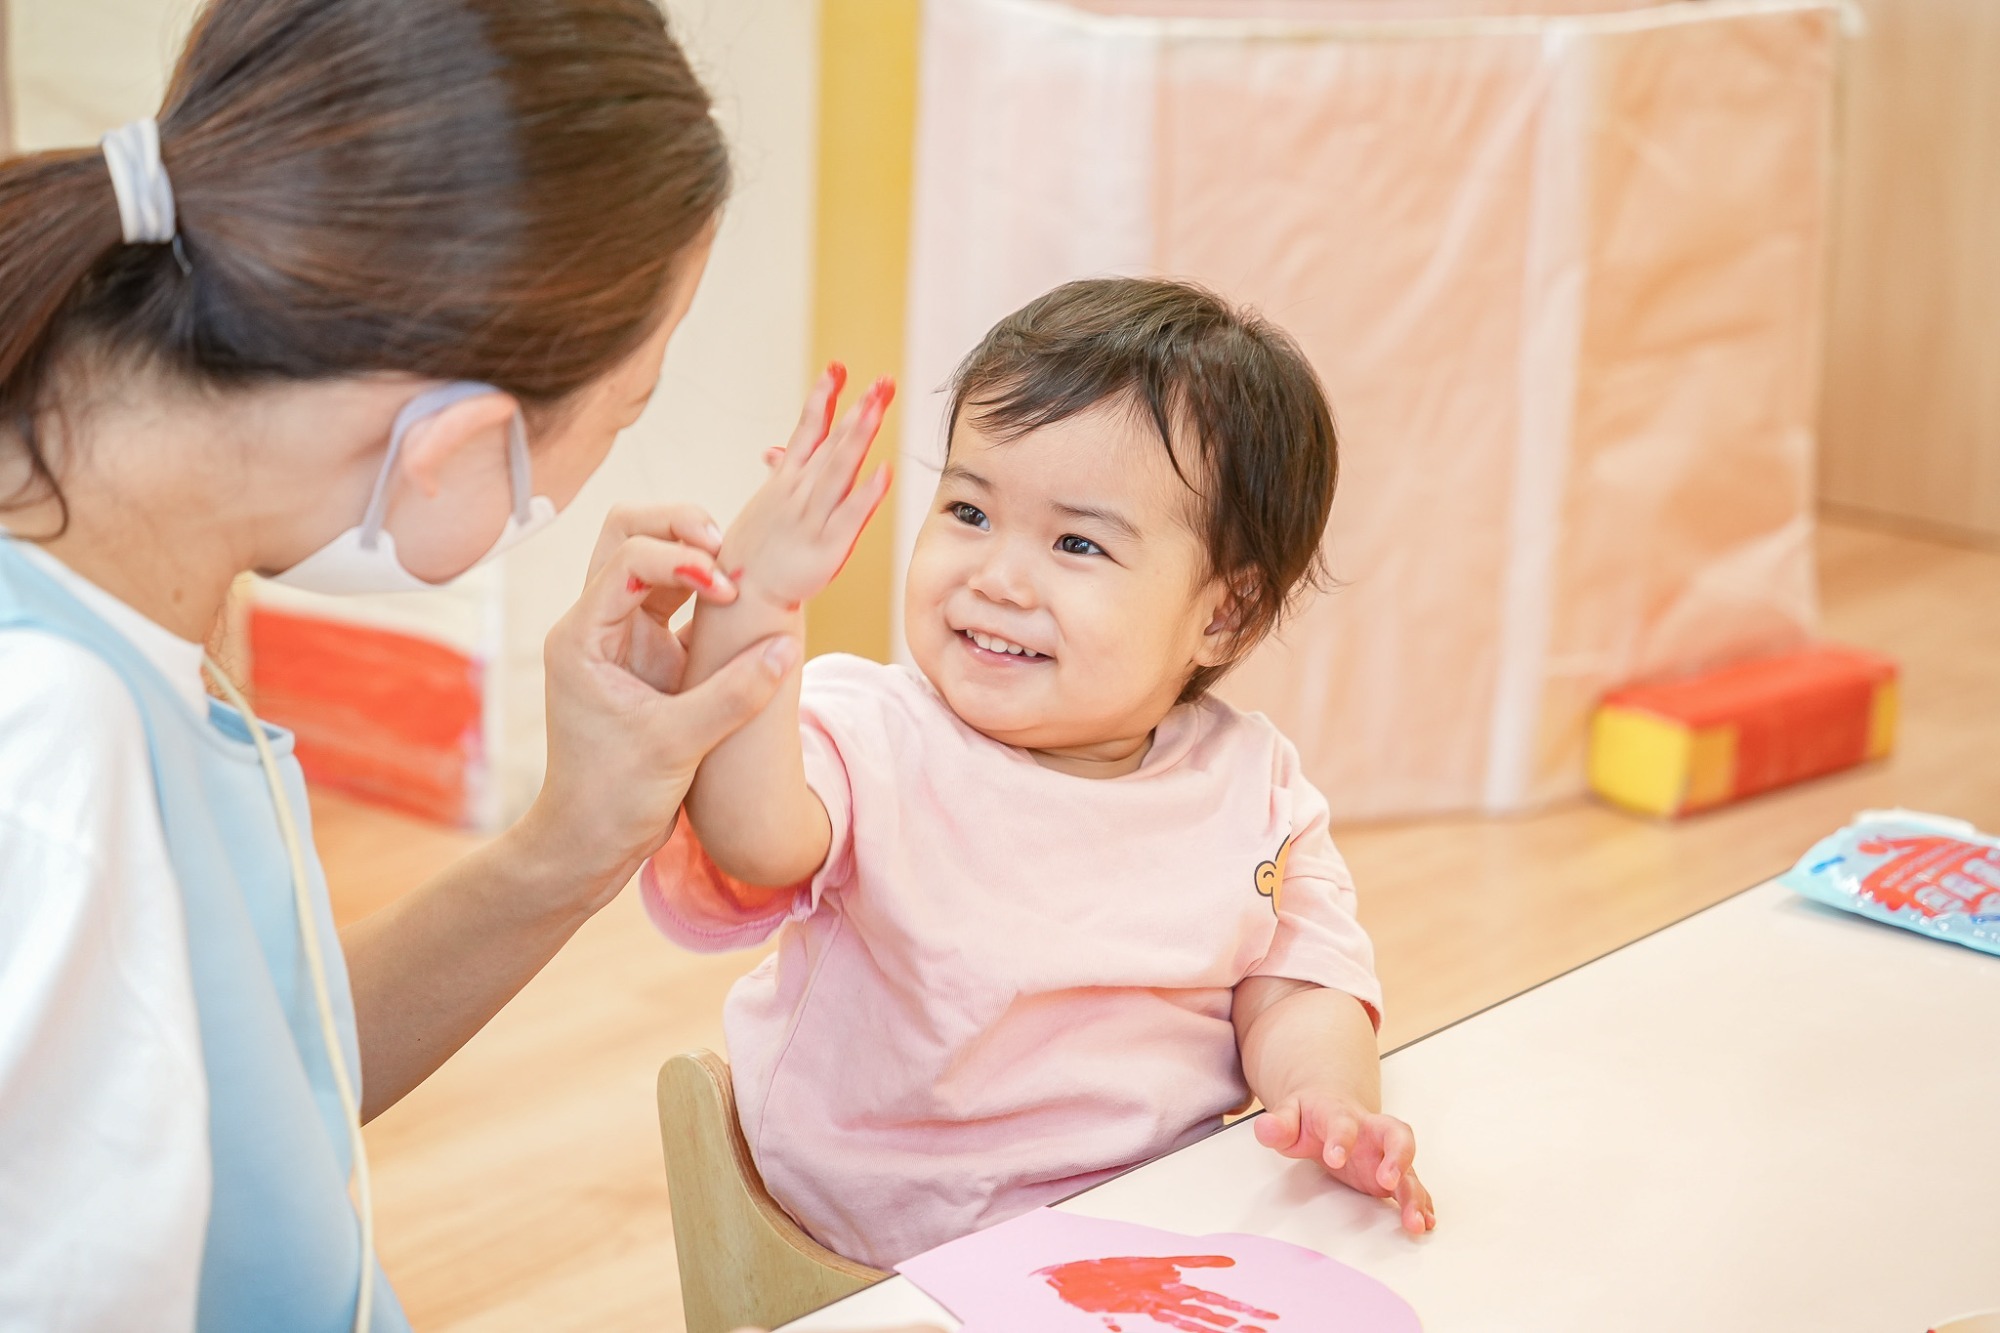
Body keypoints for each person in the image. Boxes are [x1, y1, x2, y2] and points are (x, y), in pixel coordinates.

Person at [0, 2, 933, 1331]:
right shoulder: (48, 737)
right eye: (629, 406)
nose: (614, 456)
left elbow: (264, 1072)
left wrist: (575, 835)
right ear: (449, 446)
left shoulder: (127, 582)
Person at [645, 277, 1437, 1269]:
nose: (997, 576)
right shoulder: (875, 729)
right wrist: (752, 606)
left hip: (1147, 1227)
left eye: (1074, 542)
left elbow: (1294, 988)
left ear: (1221, 613)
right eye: (969, 511)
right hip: (878, 1244)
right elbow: (750, 836)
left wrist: (1326, 1100)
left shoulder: (1254, 786)